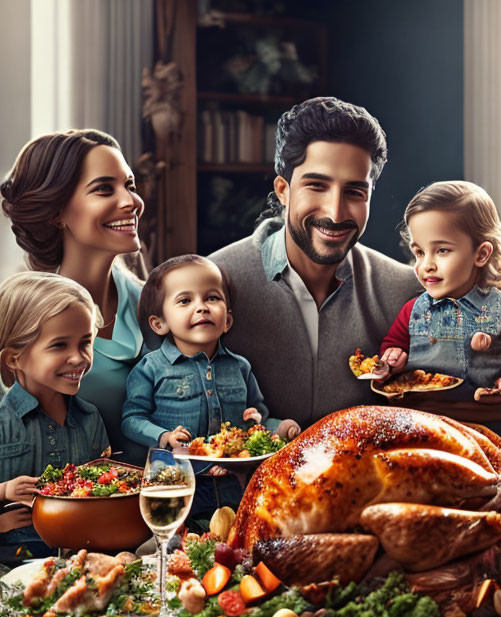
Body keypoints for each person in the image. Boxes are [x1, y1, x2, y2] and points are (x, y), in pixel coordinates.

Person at [209, 97, 421, 427]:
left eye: (354, 192)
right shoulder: (212, 284)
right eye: (316, 186)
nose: (335, 213)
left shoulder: (407, 292)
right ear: (283, 189)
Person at [378, 181, 501, 465]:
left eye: (441, 251)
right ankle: (482, 471)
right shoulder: (412, 311)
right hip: (430, 425)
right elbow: (391, 348)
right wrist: (392, 359)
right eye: (419, 252)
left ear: (481, 254)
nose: (426, 264)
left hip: (492, 423)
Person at [1, 130, 147, 464]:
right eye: (104, 189)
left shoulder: (161, 305)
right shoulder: (20, 319)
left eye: (130, 185)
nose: (130, 202)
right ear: (57, 212)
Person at [122, 255, 299, 516]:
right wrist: (164, 437)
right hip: (175, 482)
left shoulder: (240, 367)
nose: (202, 307)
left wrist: (277, 427)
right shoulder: (151, 368)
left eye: (212, 298)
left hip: (232, 481)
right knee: (177, 547)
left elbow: (257, 418)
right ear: (159, 323)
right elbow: (131, 419)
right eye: (185, 300)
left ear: (227, 320)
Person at [0, 272, 109, 559]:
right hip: (11, 561)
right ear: (14, 358)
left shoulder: (90, 418)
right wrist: (4, 493)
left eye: (85, 342)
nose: (79, 358)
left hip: (82, 555)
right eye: (59, 345)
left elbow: (104, 494)